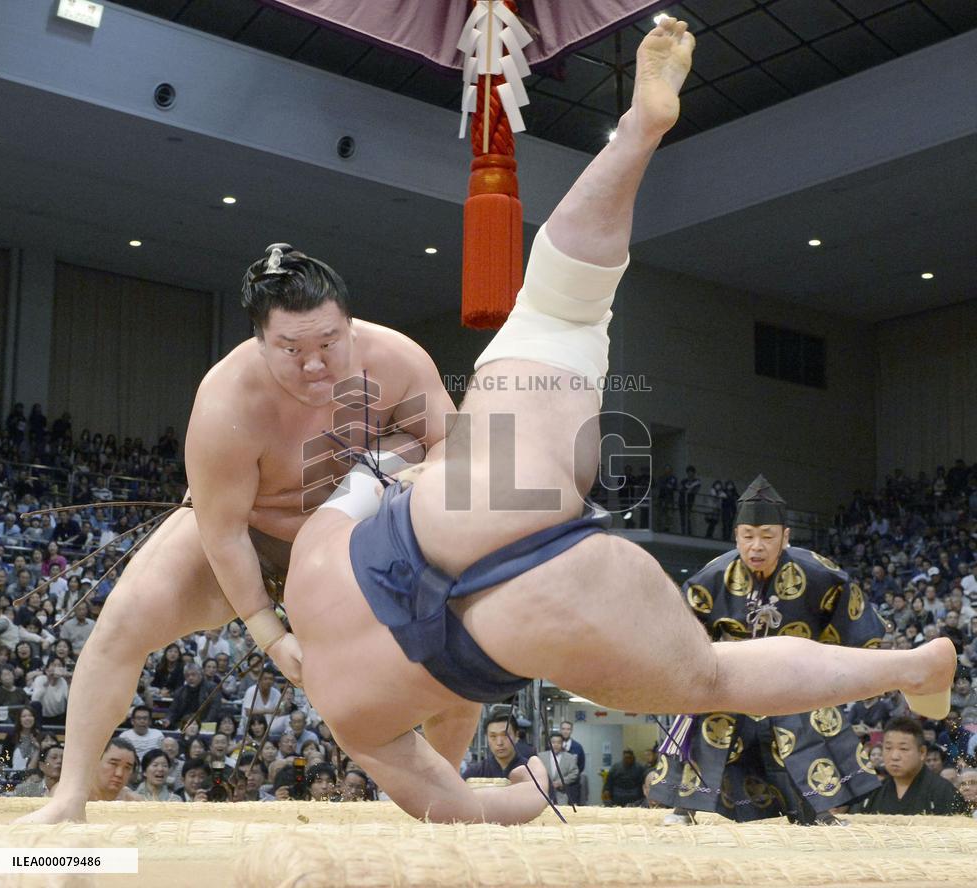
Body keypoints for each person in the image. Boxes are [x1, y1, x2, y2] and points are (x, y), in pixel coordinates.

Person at [272, 16, 955, 825]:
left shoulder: (358, 723)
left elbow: (460, 809)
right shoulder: (309, 566)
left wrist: (524, 791)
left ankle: (911, 667)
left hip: (531, 619)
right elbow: (376, 472)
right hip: (477, 501)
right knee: (557, 306)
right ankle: (636, 132)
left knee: (715, 676)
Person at [21, 224, 454, 826]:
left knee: (457, 632)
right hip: (249, 534)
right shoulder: (226, 399)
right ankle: (70, 798)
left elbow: (458, 450)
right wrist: (270, 634)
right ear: (260, 340)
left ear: (351, 326)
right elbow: (221, 532)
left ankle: (443, 800)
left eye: (329, 343)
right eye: (290, 350)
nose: (313, 365)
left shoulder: (400, 362)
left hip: (354, 540)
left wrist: (415, 480)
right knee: (122, 621)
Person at [651, 476, 885, 825]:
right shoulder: (711, 577)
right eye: (747, 536)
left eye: (767, 536)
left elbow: (855, 622)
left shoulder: (819, 572)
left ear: (785, 537)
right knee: (707, 722)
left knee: (806, 726)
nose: (756, 546)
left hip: (796, 679)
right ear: (736, 536)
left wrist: (863, 675)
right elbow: (680, 633)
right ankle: (684, 807)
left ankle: (818, 811)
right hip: (729, 681)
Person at [854, 717, 966, 815]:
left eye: (903, 749)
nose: (894, 756)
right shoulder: (874, 793)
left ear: (922, 752)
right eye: (888, 748)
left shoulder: (943, 792)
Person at [461, 712, 526, 780]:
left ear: (517, 736)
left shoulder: (530, 771)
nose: (499, 742)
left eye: (505, 735)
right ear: (487, 738)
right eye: (493, 736)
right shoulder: (473, 773)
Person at [537, 732, 579, 805]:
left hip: (562, 795)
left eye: (559, 743)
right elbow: (536, 772)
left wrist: (560, 782)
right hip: (544, 795)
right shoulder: (541, 756)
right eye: (553, 742)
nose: (556, 745)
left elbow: (574, 773)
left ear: (562, 744)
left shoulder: (570, 758)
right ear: (549, 743)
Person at [558, 720, 585, 804]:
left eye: (568, 729)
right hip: (557, 786)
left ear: (571, 731)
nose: (565, 731)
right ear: (560, 730)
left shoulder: (578, 747)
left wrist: (569, 778)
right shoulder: (553, 746)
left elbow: (581, 765)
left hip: (573, 786)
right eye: (563, 729)